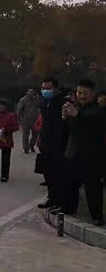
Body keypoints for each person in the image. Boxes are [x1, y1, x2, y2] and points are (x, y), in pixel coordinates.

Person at [54, 80, 105, 225]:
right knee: (70, 181)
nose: (81, 96)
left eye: (85, 93)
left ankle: (97, 216)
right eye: (79, 92)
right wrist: (65, 117)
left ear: (93, 94)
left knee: (92, 186)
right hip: (73, 151)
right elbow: (70, 130)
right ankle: (69, 208)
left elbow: (92, 126)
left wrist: (77, 116)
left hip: (91, 154)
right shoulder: (75, 108)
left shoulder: (99, 110)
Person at [37, 77, 68, 210]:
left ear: (56, 89)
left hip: (57, 144)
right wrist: (40, 136)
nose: (45, 91)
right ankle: (52, 198)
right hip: (46, 142)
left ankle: (59, 200)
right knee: (48, 172)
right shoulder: (45, 102)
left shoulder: (61, 103)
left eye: (48, 88)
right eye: (43, 88)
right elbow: (44, 123)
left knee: (57, 174)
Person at [16, 88, 40, 154]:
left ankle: (32, 144)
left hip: (34, 120)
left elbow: (39, 107)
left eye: (33, 91)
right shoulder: (23, 100)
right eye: (30, 91)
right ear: (27, 92)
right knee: (25, 135)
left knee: (35, 133)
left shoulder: (35, 100)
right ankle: (26, 148)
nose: (32, 93)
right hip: (25, 120)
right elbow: (19, 110)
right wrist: (21, 119)